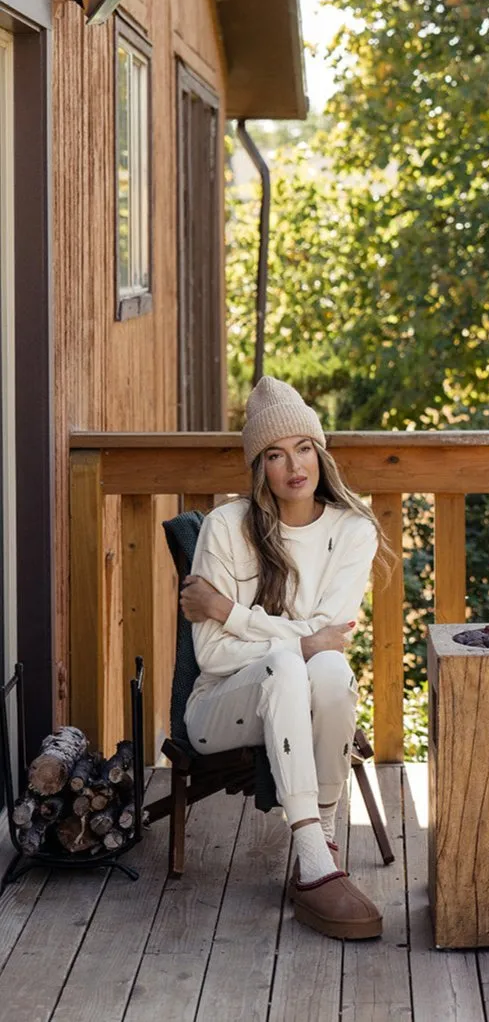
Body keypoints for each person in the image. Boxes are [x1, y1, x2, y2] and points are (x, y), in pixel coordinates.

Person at [180, 376, 389, 941]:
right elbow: (214, 653)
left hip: (304, 687)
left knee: (329, 668)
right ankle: (316, 861)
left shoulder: (353, 529)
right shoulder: (227, 528)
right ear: (259, 467)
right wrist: (298, 641)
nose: (294, 466)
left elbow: (332, 637)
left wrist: (230, 609)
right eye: (275, 454)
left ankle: (319, 836)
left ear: (319, 452)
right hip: (219, 708)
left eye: (303, 448)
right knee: (293, 662)